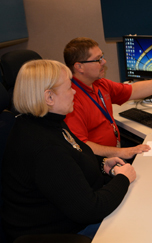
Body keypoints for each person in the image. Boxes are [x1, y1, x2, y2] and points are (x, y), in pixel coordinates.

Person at [1, 60, 136, 242]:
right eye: (68, 87)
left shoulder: (47, 121)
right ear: (49, 97)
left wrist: (103, 164)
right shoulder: (43, 147)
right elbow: (90, 209)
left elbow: (76, 153)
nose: (74, 92)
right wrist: (123, 179)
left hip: (72, 215)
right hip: (64, 232)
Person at [63, 37, 152, 160]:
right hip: (99, 161)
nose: (104, 62)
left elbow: (133, 90)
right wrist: (121, 152)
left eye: (102, 56)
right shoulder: (70, 99)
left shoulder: (99, 84)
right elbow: (81, 145)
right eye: (98, 60)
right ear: (79, 67)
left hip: (115, 151)